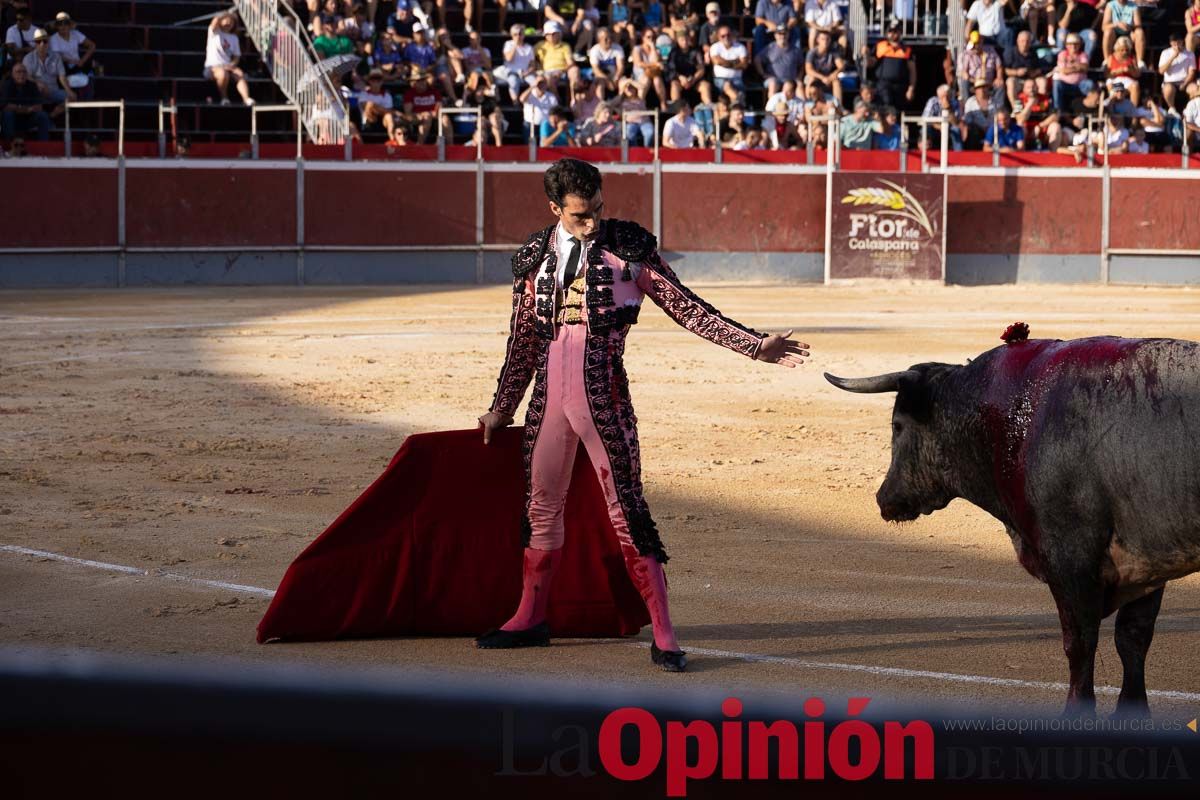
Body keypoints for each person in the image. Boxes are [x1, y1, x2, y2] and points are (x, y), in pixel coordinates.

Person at [474, 159, 808, 671]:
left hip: (603, 398)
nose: (594, 222)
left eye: (599, 210)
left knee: (627, 511)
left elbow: (689, 307)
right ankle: (530, 616)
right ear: (555, 210)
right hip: (548, 404)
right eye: (582, 215)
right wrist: (502, 407)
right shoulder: (532, 259)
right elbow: (521, 341)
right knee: (541, 506)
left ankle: (666, 634)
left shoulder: (627, 249)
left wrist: (753, 345)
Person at [864, 19, 915, 111]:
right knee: (886, 105)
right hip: (883, 84)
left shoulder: (907, 49)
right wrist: (866, 54)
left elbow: (912, 71)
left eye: (896, 31)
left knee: (898, 110)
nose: (893, 34)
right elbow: (870, 64)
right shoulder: (880, 46)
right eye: (890, 31)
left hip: (900, 86)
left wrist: (911, 88)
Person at [205, 12, 253, 106]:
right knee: (223, 74)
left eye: (231, 21)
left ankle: (246, 99)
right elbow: (214, 22)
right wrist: (223, 14)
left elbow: (236, 57)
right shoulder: (214, 32)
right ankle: (224, 98)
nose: (228, 22)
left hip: (227, 66)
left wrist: (232, 65)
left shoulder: (234, 38)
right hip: (212, 67)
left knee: (240, 75)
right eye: (225, 20)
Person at [24, 28, 73, 111]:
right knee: (36, 92)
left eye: (45, 41)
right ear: (35, 44)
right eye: (38, 41)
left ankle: (54, 113)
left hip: (53, 90)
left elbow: (62, 77)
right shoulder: (28, 58)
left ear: (48, 42)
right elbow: (26, 76)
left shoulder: (56, 56)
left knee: (72, 97)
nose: (42, 44)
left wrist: (69, 91)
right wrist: (38, 83)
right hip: (37, 91)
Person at [0, 60, 50, 140]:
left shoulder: (32, 85)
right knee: (7, 114)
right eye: (18, 72)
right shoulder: (7, 85)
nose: (22, 74)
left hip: (28, 118)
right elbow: (5, 106)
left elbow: (39, 106)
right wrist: (26, 109)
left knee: (42, 115)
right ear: (12, 74)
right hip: (13, 119)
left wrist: (18, 108)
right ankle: (9, 143)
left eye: (24, 72)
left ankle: (43, 144)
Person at [755, 25, 802, 99]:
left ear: (788, 34)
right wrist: (763, 74)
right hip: (773, 79)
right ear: (775, 35)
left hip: (790, 79)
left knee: (799, 85)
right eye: (780, 33)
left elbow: (801, 65)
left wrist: (798, 77)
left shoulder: (796, 50)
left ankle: (804, 109)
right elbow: (757, 59)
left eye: (784, 33)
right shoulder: (769, 48)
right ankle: (771, 108)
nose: (782, 36)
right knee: (773, 83)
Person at [495, 24, 535, 104]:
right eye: (515, 34)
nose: (518, 36)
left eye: (520, 34)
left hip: (525, 72)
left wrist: (526, 72)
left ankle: (531, 101)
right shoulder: (508, 44)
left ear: (523, 35)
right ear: (512, 35)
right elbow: (508, 59)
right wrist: (515, 45)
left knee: (535, 82)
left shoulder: (529, 48)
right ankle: (515, 102)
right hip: (511, 71)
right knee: (513, 81)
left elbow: (533, 65)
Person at [1052, 32, 1092, 111]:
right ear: (1066, 45)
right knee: (1057, 84)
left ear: (1079, 45)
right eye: (1070, 44)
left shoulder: (1083, 54)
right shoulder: (1062, 54)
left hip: (1080, 84)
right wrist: (1078, 67)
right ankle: (1057, 109)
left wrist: (1071, 67)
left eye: (1076, 44)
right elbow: (1064, 71)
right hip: (1065, 84)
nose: (1073, 46)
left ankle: (1088, 109)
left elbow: (1085, 67)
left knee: (1090, 84)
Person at [709, 25, 749, 103]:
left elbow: (744, 65)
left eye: (728, 35)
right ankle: (737, 101)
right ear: (718, 37)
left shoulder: (740, 47)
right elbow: (717, 62)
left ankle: (736, 105)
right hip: (720, 79)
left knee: (734, 88)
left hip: (737, 79)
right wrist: (736, 62)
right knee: (727, 86)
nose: (726, 37)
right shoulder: (715, 47)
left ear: (732, 35)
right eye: (723, 36)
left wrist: (725, 63)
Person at [1158, 31, 1196, 112]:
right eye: (1174, 44)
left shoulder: (1190, 54)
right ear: (1171, 44)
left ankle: (1191, 110)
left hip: (1185, 81)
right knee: (1168, 89)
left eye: (1178, 43)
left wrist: (1185, 83)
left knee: (1194, 88)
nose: (1177, 46)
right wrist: (1173, 57)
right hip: (1170, 82)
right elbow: (1161, 71)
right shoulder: (1165, 53)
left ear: (1182, 42)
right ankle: (1172, 108)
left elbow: (1191, 72)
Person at [805, 29, 845, 106]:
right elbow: (808, 70)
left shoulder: (833, 51)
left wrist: (833, 74)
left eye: (827, 39)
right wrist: (822, 77)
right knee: (811, 79)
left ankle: (838, 106)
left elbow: (841, 66)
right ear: (818, 40)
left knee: (836, 81)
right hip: (816, 76)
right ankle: (809, 104)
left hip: (828, 76)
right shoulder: (812, 52)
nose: (825, 41)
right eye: (823, 39)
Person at [921, 83, 965, 150]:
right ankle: (925, 153)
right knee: (925, 129)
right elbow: (924, 119)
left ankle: (959, 155)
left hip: (950, 127)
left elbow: (956, 123)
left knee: (956, 130)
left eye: (947, 96)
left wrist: (949, 110)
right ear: (938, 96)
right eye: (943, 96)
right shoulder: (933, 101)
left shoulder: (955, 103)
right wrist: (939, 126)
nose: (945, 99)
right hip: (934, 127)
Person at [1101, 0, 1144, 65]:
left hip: (1129, 33)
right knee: (1107, 32)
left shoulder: (1134, 6)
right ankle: (1107, 61)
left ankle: (1140, 61)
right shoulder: (1110, 5)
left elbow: (1138, 24)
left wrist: (1129, 26)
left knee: (1139, 32)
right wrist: (1117, 24)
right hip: (1114, 33)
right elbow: (1104, 27)